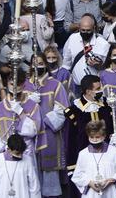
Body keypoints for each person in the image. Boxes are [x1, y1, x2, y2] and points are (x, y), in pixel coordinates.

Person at [24, 51, 70, 196]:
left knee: (49, 172)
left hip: (49, 133)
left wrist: (42, 118)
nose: (38, 66)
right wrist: (29, 103)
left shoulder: (55, 85)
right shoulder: (24, 86)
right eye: (35, 64)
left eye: (41, 63)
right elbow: (15, 110)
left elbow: (62, 111)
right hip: (29, 135)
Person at [65, 75, 115, 172]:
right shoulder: (74, 111)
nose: (101, 90)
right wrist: (73, 165)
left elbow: (113, 127)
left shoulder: (106, 105)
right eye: (98, 88)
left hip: (106, 155)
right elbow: (71, 141)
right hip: (86, 159)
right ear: (88, 91)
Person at [71, 120, 116, 198]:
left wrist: (110, 180)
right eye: (91, 137)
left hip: (110, 192)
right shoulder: (83, 154)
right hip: (91, 194)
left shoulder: (114, 152)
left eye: (97, 137)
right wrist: (89, 183)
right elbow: (77, 176)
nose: (94, 140)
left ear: (104, 136)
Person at [65, 13, 111, 87]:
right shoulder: (72, 39)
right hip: (77, 86)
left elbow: (108, 68)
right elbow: (66, 64)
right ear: (79, 28)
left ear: (94, 28)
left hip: (96, 87)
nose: (85, 32)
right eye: (83, 30)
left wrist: (98, 65)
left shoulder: (103, 44)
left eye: (88, 30)